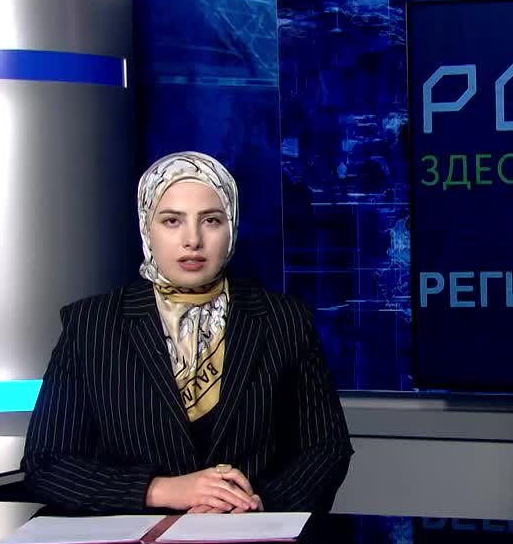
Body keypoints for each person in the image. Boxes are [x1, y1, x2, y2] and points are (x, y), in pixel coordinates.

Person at [21, 151, 353, 515]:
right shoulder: (90, 325)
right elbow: (46, 463)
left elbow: (326, 449)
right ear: (147, 228)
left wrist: (256, 504)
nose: (192, 239)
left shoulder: (285, 321)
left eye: (210, 220)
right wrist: (161, 490)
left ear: (232, 227)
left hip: (250, 541)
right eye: (172, 221)